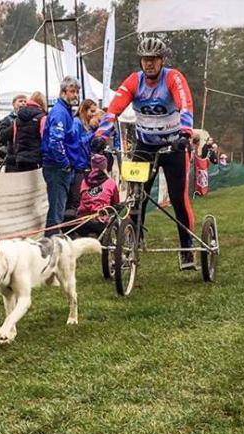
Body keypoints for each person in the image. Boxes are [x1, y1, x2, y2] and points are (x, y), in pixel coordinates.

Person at [92, 37, 197, 270]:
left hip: (173, 146)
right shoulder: (134, 81)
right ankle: (132, 244)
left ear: (161, 61)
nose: (149, 64)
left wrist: (185, 134)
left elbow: (186, 105)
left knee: (179, 199)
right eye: (145, 59)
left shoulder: (172, 78)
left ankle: (187, 248)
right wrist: (100, 135)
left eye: (154, 60)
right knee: (137, 198)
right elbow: (113, 110)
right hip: (145, 146)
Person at [41, 76, 81, 237]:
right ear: (63, 92)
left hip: (60, 167)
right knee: (56, 211)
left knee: (59, 209)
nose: (75, 95)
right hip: (56, 168)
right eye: (72, 91)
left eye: (77, 91)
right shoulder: (59, 112)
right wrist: (64, 163)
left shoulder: (65, 111)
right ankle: (50, 245)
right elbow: (55, 141)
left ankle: (53, 241)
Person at [65, 153, 120, 237]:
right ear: (105, 166)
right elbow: (116, 203)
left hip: (82, 221)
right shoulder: (111, 183)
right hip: (100, 222)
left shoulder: (84, 181)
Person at [66, 99, 99, 212]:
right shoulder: (76, 122)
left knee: (84, 197)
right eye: (92, 111)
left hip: (85, 164)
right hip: (77, 167)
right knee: (76, 198)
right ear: (84, 110)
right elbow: (77, 142)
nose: (94, 114)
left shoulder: (87, 125)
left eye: (95, 112)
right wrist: (93, 134)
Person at [5, 91, 47, 172]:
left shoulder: (17, 119)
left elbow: (15, 139)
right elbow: (45, 139)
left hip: (20, 159)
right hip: (36, 159)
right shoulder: (42, 117)